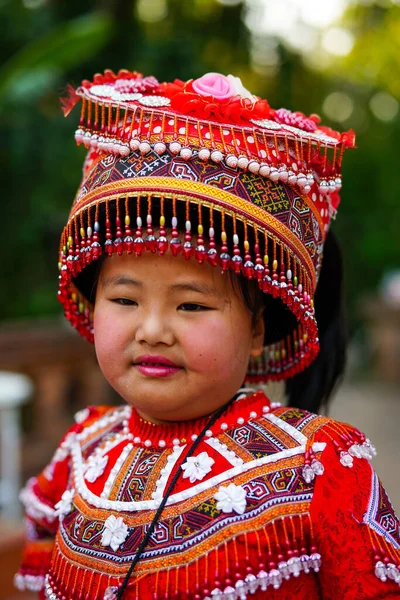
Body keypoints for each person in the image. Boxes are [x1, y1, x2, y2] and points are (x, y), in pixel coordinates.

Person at [15, 70, 400, 600]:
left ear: (259, 328)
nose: (152, 330)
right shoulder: (79, 452)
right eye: (125, 300)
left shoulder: (319, 467)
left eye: (191, 304)